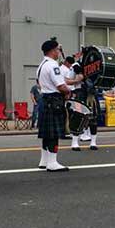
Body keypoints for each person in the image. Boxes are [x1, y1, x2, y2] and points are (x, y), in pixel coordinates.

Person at [36, 38, 72, 171]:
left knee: (46, 133)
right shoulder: (53, 65)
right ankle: (52, 163)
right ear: (52, 51)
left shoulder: (42, 65)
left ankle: (44, 161)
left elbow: (38, 83)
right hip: (54, 100)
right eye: (57, 49)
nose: (58, 52)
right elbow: (61, 86)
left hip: (45, 98)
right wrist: (68, 92)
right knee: (53, 134)